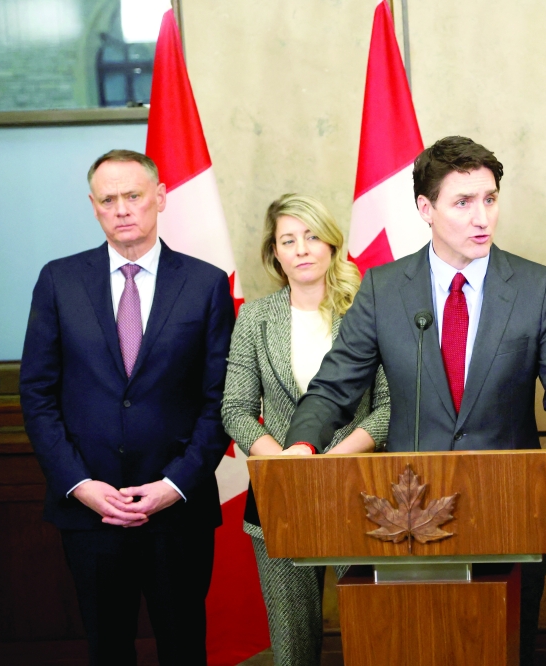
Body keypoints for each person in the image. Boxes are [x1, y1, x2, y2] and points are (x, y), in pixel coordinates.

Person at [285, 135, 546, 666]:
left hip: (509, 510)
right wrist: (303, 447)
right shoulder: (383, 289)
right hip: (406, 514)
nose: (482, 218)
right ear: (425, 208)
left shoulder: (538, 288)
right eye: (463, 202)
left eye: (490, 199)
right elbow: (335, 386)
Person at [19, 149, 235, 665]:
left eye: (133, 196)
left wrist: (174, 484)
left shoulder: (205, 284)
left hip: (177, 506)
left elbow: (221, 398)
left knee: (183, 647)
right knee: (108, 648)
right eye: (109, 199)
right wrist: (80, 484)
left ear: (159, 198)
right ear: (93, 206)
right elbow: (37, 393)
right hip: (90, 507)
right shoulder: (58, 280)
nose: (122, 209)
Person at [221, 193, 390, 666]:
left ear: (332, 244)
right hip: (279, 492)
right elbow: (235, 407)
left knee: (373, 632)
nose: (301, 249)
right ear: (274, 253)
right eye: (288, 240)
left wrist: (327, 463)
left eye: (312, 236)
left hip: (356, 486)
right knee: (292, 645)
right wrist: (284, 465)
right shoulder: (255, 318)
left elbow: (389, 409)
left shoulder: (366, 311)